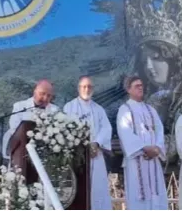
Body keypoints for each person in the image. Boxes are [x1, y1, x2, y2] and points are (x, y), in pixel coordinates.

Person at [117, 76, 168, 210]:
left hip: (153, 160)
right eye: (136, 86)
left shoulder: (150, 109)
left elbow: (159, 129)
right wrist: (144, 148)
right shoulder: (125, 110)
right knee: (139, 197)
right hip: (137, 161)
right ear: (128, 89)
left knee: (156, 194)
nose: (140, 88)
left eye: (141, 85)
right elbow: (125, 133)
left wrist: (157, 148)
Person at [63, 76, 112, 210]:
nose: (87, 89)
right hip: (77, 157)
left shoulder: (99, 109)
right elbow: (67, 130)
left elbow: (106, 128)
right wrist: (82, 147)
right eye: (84, 86)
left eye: (89, 86)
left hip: (96, 155)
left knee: (98, 190)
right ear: (79, 89)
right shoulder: (69, 107)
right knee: (79, 189)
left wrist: (96, 143)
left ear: (93, 89)